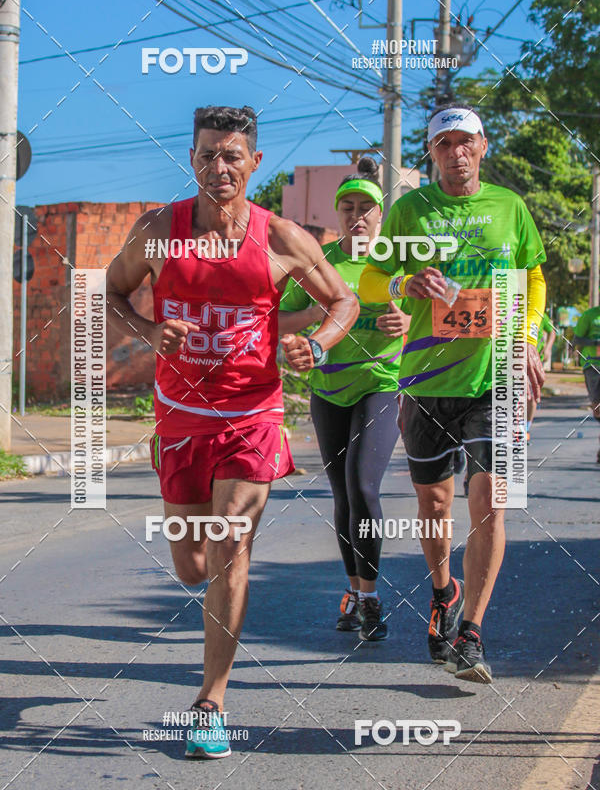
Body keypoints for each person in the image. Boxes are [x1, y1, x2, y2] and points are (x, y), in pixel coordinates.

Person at [106, 105, 358, 758]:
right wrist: (147, 332)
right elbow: (106, 293)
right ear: (191, 158)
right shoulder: (159, 231)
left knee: (229, 549)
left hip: (253, 417)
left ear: (254, 163)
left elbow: (343, 300)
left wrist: (320, 343)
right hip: (180, 419)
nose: (219, 166)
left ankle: (210, 702)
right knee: (192, 566)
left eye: (232, 155)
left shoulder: (280, 239)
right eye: (207, 154)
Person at [359, 104, 547, 683]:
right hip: (424, 383)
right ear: (432, 153)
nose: (456, 151)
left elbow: (533, 276)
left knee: (491, 500)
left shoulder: (510, 207)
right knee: (435, 505)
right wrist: (402, 281)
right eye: (444, 143)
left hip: (496, 379)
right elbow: (370, 280)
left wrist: (529, 336)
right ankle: (443, 591)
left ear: (483, 146)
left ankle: (471, 631)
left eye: (465, 141)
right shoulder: (411, 210)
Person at [279, 157, 410, 641]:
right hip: (327, 387)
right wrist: (313, 314)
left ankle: (372, 596)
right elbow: (276, 320)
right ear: (337, 213)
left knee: (364, 487)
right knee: (341, 496)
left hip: (381, 382)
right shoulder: (321, 263)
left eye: (366, 209)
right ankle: (354, 591)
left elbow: (445, 310)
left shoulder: (399, 257)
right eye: (348, 207)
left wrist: (412, 322)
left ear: (380, 215)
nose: (357, 216)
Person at [574, 304, 600, 462]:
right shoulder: (590, 315)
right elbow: (577, 339)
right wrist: (595, 343)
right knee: (597, 406)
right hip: (593, 366)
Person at [527, 312, 556, 440]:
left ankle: (525, 429)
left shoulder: (540, 314)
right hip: (515, 359)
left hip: (535, 359)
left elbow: (552, 331)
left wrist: (548, 348)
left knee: (532, 396)